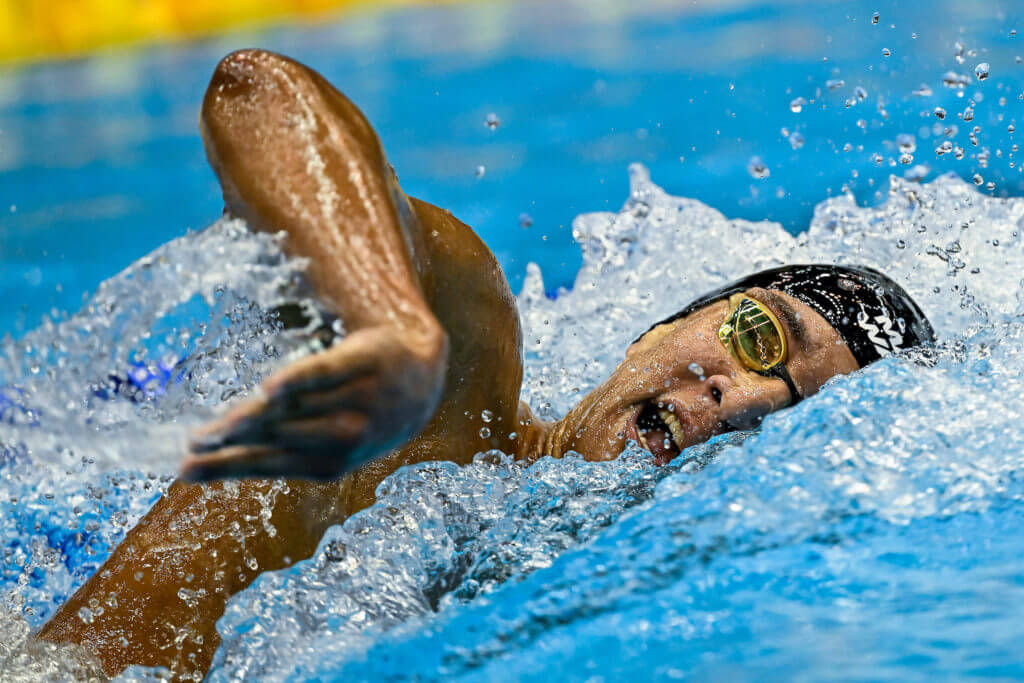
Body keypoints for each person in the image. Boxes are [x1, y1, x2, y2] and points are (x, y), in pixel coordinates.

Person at [36, 49, 935, 679]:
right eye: (757, 340)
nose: (735, 400)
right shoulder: (459, 369)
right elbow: (259, 92)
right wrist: (393, 330)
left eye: (789, 421)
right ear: (670, 320)